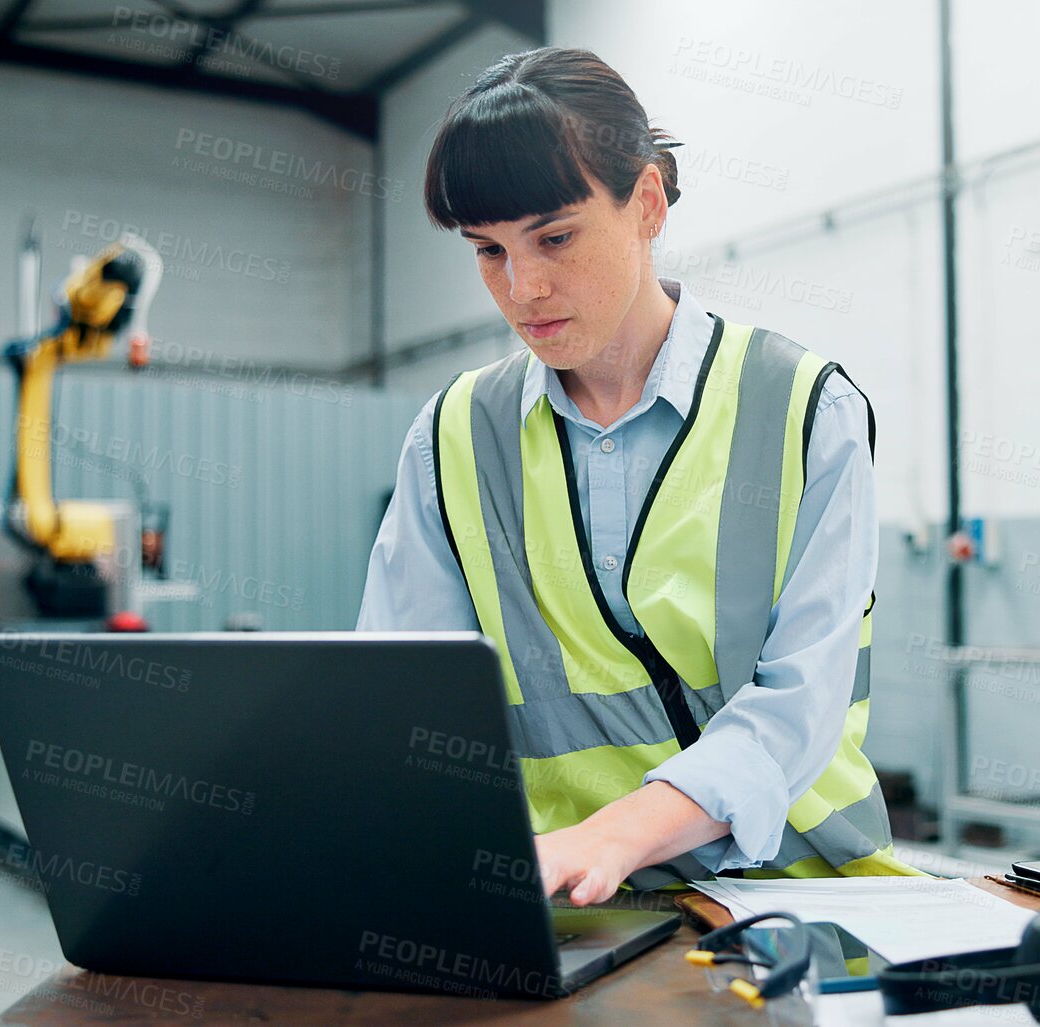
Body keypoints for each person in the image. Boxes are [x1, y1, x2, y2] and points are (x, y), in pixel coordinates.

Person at [358, 47, 917, 905]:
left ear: (646, 202)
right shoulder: (450, 440)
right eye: (487, 251)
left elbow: (801, 700)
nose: (523, 287)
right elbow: (407, 710)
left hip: (806, 893)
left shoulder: (804, 409)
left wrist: (613, 834)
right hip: (576, 912)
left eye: (554, 237)